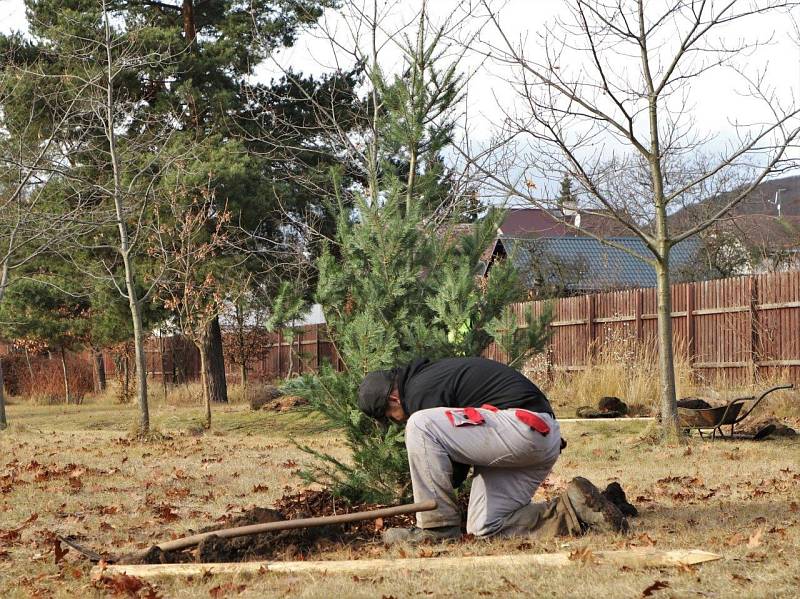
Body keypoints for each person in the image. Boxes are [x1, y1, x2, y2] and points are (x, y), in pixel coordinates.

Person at [357, 356, 630, 544]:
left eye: (390, 415)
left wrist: (432, 504)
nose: (395, 420)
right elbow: (457, 456)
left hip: (521, 427)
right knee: (483, 528)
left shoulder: (418, 391)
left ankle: (436, 530)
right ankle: (575, 510)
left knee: (420, 424)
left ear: (393, 398)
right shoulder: (428, 381)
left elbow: (452, 463)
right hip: (531, 439)